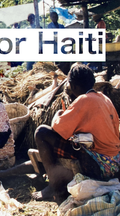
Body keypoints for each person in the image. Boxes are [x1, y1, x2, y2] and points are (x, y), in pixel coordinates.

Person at [30, 64, 120, 202]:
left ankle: (55, 187)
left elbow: (57, 127)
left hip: (100, 164)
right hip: (115, 162)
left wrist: (59, 113)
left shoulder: (84, 100)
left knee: (41, 132)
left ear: (72, 85)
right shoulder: (103, 98)